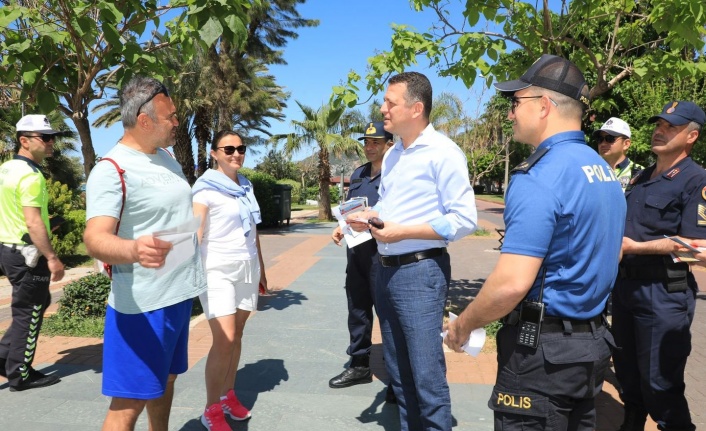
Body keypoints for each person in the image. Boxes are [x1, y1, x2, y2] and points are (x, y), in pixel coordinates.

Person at [443, 54, 625, 431]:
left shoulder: (539, 176)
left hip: (541, 358)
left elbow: (511, 283)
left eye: (515, 103)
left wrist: (463, 325)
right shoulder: (602, 171)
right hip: (590, 347)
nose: (510, 114)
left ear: (544, 106)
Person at [348, 72, 478, 431]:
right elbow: (390, 208)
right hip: (385, 270)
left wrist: (403, 231)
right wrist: (369, 217)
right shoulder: (393, 156)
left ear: (416, 108)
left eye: (390, 103)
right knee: (400, 376)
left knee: (426, 377)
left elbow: (464, 219)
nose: (382, 108)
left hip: (420, 274)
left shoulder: (444, 153)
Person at [83, 76, 206, 431]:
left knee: (166, 380)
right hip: (142, 306)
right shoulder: (111, 170)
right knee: (128, 403)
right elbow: (95, 239)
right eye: (172, 117)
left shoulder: (167, 159)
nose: (178, 123)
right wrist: (135, 249)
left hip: (178, 294)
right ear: (144, 120)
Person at [611, 101, 706, 431]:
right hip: (625, 290)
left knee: (661, 384)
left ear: (691, 136)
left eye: (671, 126)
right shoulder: (640, 177)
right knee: (627, 373)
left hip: (663, 293)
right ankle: (632, 421)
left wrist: (637, 247)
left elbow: (699, 252)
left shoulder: (696, 180)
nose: (660, 130)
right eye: (659, 123)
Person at [191, 130, 268, 430]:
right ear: (214, 153)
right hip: (217, 270)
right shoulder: (204, 188)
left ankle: (228, 394)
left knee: (236, 336)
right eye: (228, 149)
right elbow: (195, 234)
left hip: (247, 268)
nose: (236, 153)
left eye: (241, 148)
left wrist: (262, 269)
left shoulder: (245, 186)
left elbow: (253, 229)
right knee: (224, 340)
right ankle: (210, 409)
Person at [328, 122, 395, 401]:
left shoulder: (397, 176)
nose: (369, 147)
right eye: (366, 142)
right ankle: (358, 366)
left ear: (389, 144)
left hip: (384, 256)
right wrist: (341, 226)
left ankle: (397, 380)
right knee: (357, 309)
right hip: (357, 255)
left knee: (389, 317)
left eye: (376, 142)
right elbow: (349, 208)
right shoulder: (358, 174)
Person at [0, 114, 65, 391]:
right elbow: (33, 221)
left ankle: (4, 359)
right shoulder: (31, 175)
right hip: (28, 254)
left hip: (7, 249)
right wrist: (52, 258)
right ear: (24, 141)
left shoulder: (6, 169)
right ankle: (20, 374)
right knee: (32, 310)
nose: (51, 143)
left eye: (53, 137)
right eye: (45, 138)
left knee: (28, 306)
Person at [593, 117, 644, 191]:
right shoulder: (591, 170)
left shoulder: (640, 173)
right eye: (600, 139)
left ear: (626, 144)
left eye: (610, 138)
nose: (603, 143)